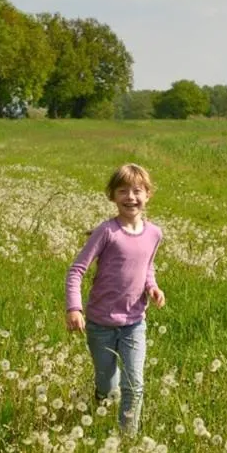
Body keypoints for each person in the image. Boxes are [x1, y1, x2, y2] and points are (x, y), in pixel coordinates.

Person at [65, 164, 165, 435]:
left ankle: (126, 439)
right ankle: (103, 398)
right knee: (108, 388)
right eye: (123, 191)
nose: (130, 197)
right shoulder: (107, 231)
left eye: (137, 191)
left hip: (135, 322)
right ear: (112, 195)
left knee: (135, 384)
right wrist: (74, 308)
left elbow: (148, 266)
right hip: (100, 323)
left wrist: (153, 287)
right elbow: (76, 270)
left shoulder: (155, 233)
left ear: (148, 195)